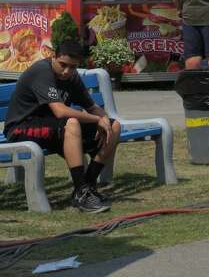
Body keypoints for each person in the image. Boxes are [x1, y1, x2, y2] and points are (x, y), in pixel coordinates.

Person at [3, 40, 121, 212]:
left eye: (72, 67)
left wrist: (104, 120)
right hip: (21, 127)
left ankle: (87, 187)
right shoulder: (42, 71)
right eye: (63, 65)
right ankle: (82, 192)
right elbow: (60, 111)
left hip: (52, 127)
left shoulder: (72, 77)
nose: (67, 71)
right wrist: (96, 120)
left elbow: (92, 107)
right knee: (71, 124)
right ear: (53, 56)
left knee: (115, 126)